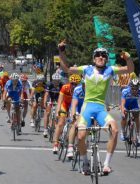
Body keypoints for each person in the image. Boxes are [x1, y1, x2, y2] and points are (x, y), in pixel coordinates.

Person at [59, 41, 134, 175]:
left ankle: (106, 164)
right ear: (94, 58)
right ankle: (85, 161)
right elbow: (66, 69)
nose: (101, 57)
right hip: (87, 107)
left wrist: (128, 59)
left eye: (104, 56)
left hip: (100, 108)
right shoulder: (87, 69)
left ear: (106, 58)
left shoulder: (110, 70)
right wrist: (62, 52)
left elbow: (130, 69)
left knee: (115, 130)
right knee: (81, 136)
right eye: (98, 55)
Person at [52, 74, 80, 153]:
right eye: (72, 83)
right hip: (64, 105)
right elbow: (60, 101)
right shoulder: (65, 87)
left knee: (74, 124)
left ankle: (70, 141)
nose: (74, 85)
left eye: (76, 84)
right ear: (69, 83)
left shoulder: (80, 90)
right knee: (61, 123)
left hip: (73, 106)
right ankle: (55, 143)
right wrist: (58, 111)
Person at [120, 79, 140, 147]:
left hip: (134, 105)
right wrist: (123, 112)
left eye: (136, 89)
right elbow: (122, 103)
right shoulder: (125, 91)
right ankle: (123, 132)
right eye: (133, 89)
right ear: (130, 87)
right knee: (124, 116)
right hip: (126, 105)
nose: (135, 90)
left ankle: (137, 136)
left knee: (137, 116)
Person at [66, 79, 85, 158]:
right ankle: (70, 147)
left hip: (84, 109)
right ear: (83, 84)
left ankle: (81, 142)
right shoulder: (78, 90)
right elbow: (74, 104)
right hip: (76, 107)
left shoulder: (92, 91)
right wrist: (74, 115)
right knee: (74, 123)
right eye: (85, 85)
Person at [43, 73, 63, 138]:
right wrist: (45, 102)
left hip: (58, 98)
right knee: (47, 112)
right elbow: (46, 94)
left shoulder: (62, 85)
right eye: (55, 81)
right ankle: (45, 129)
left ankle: (55, 125)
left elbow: (63, 96)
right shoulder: (49, 84)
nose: (56, 82)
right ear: (53, 80)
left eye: (58, 81)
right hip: (51, 98)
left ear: (60, 81)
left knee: (58, 112)